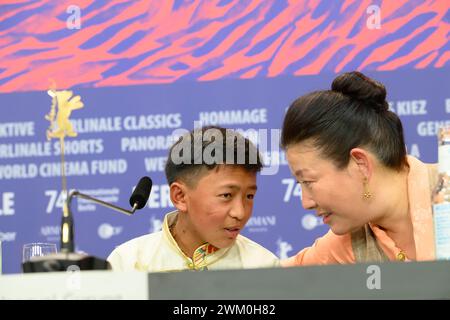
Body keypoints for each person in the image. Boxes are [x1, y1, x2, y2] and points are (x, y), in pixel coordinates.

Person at [280, 71, 438, 266]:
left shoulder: (443, 191)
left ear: (360, 165)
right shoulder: (345, 245)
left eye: (308, 182)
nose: (306, 202)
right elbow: (271, 281)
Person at [108, 126, 279, 272]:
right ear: (180, 196)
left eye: (249, 196)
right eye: (226, 195)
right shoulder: (126, 263)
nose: (240, 213)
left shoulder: (263, 266)